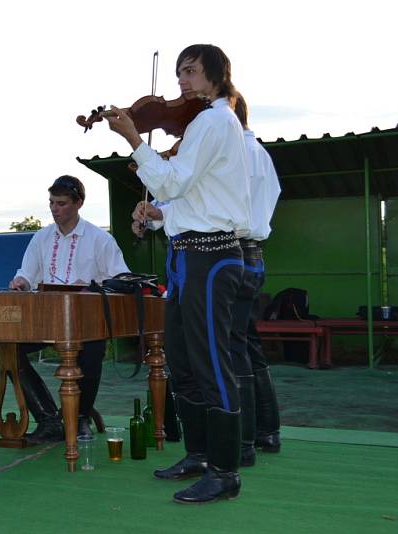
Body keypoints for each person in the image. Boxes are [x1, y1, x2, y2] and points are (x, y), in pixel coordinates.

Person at [106, 44, 250, 504]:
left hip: (211, 257)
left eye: (190, 72)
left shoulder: (213, 120)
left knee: (211, 361)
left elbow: (171, 182)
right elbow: (190, 197)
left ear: (215, 73)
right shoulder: (203, 124)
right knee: (183, 360)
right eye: (179, 73)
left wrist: (134, 138)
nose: (182, 82)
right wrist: (161, 217)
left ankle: (225, 470)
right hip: (188, 254)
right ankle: (200, 453)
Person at [9, 175, 129, 443]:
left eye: (61, 203)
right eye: (51, 202)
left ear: (79, 203)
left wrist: (90, 288)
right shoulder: (41, 238)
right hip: (45, 318)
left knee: (92, 348)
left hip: (85, 321)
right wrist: (21, 282)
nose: (54, 209)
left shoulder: (100, 239)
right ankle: (48, 419)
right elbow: (27, 274)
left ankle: (81, 417)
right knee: (8, 348)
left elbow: (121, 279)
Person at [230, 93, 282, 461]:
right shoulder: (260, 153)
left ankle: (245, 440)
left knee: (235, 346)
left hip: (232, 252)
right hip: (255, 254)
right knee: (247, 343)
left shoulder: (238, 155)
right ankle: (267, 432)